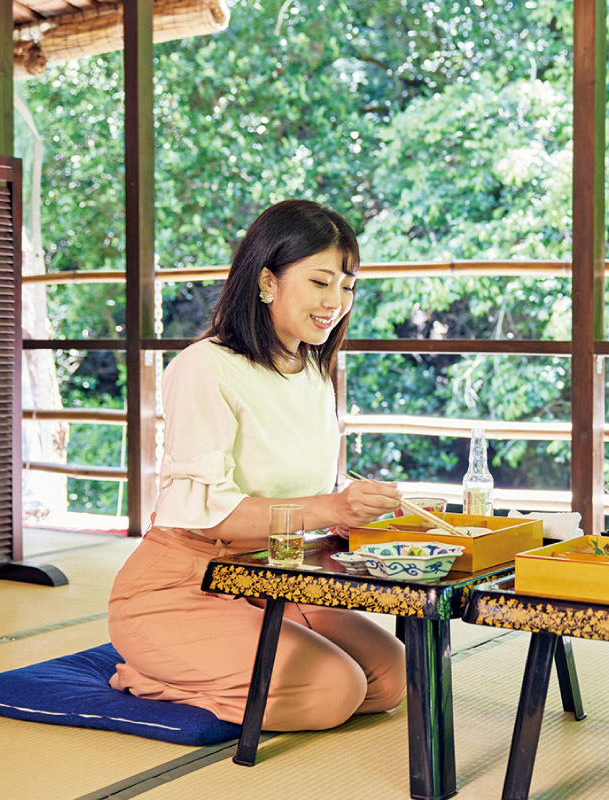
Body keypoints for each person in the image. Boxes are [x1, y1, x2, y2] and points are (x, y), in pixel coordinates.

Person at [107, 199, 407, 730]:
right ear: (267, 281)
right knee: (334, 690)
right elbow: (214, 515)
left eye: (348, 285)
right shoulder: (204, 367)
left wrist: (350, 512)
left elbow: (306, 496)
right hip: (186, 582)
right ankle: (152, 674)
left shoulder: (315, 371)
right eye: (320, 282)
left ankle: (235, 669)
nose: (335, 301)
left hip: (271, 577)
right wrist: (325, 505)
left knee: (391, 677)